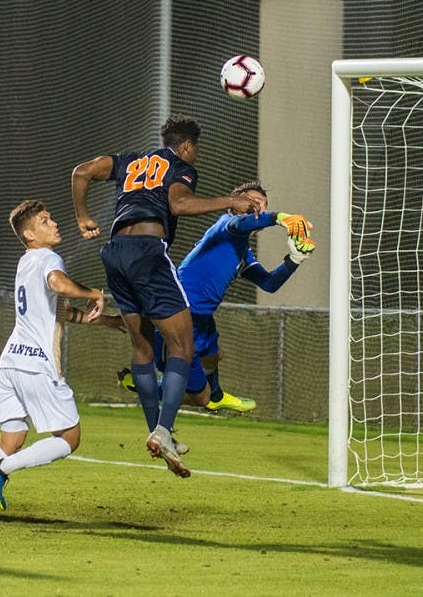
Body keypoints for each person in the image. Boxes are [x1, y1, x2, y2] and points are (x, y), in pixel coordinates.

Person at [71, 114, 281, 478]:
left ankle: (158, 430)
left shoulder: (130, 160)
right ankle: (164, 431)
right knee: (182, 346)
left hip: (114, 251)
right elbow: (179, 205)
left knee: (143, 348)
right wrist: (229, 201)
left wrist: (83, 217)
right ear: (187, 145)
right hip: (148, 252)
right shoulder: (179, 165)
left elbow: (81, 172)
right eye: (195, 149)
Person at [0, 200, 125, 531]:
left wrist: (106, 322)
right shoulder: (48, 259)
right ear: (30, 234)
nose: (54, 223)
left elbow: (55, 311)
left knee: (9, 442)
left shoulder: (26, 263)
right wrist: (94, 293)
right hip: (36, 364)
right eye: (45, 221)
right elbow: (58, 284)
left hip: (11, 363)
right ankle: (3, 469)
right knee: (69, 438)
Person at [121, 181, 316, 412]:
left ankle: (216, 395)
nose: (260, 209)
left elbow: (269, 283)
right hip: (179, 314)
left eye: (264, 204)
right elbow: (242, 223)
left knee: (213, 356)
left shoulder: (242, 250)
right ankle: (145, 385)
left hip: (202, 318)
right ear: (235, 206)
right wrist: (282, 217)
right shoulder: (228, 225)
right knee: (196, 396)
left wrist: (294, 260)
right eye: (253, 203)